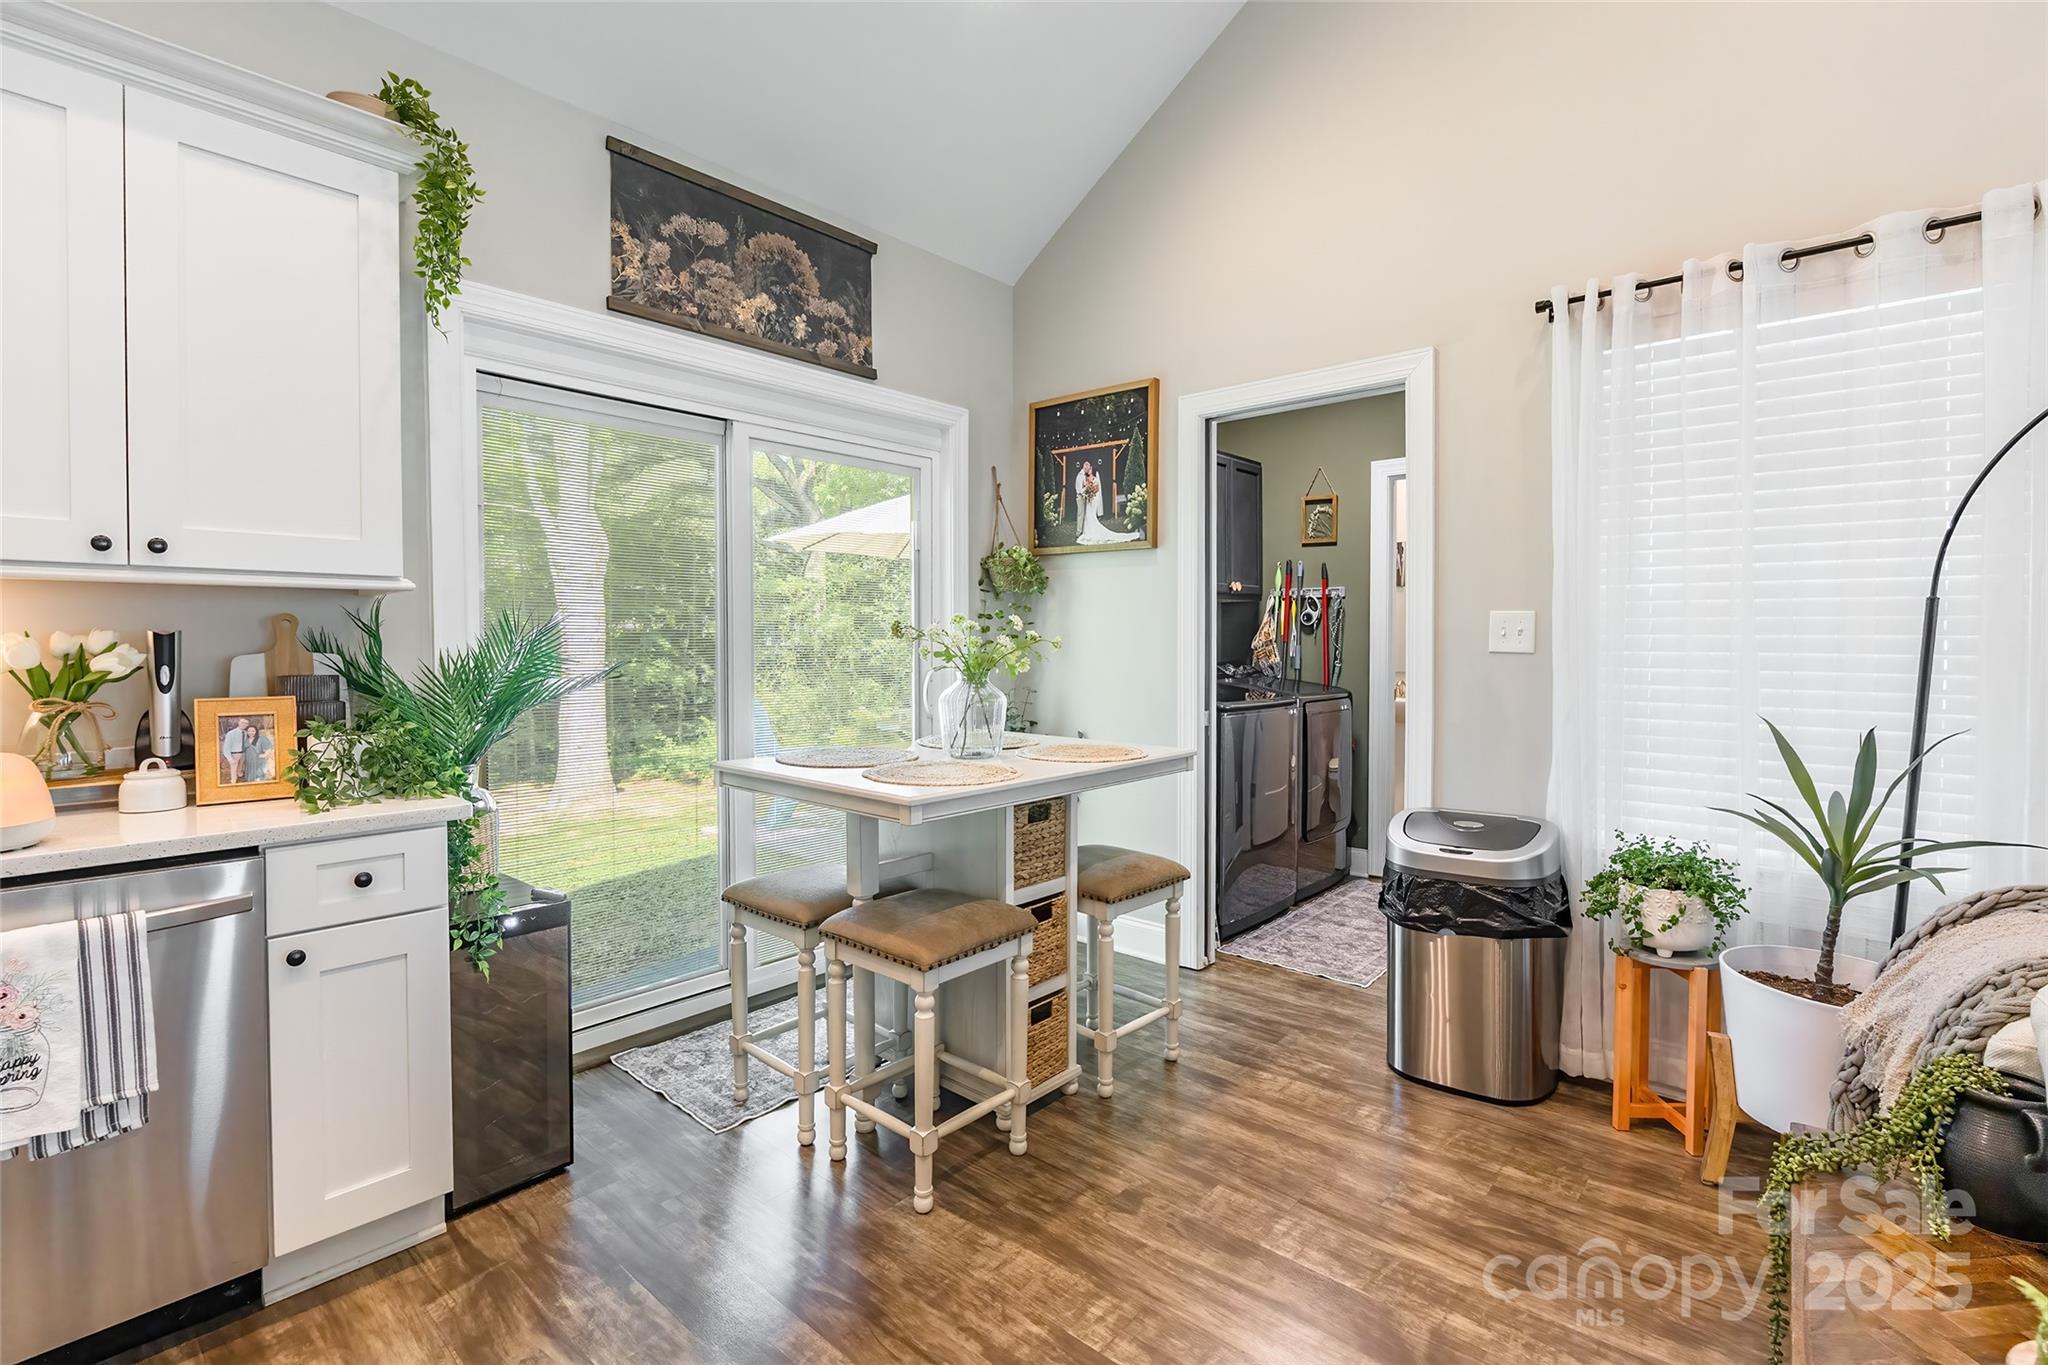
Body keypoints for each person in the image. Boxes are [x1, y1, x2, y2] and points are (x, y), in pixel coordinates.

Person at [1076, 459, 1141, 545]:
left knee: (1090, 515)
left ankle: (1093, 531)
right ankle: (1087, 531)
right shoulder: (1085, 478)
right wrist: (1087, 492)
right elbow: (1082, 488)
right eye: (1088, 468)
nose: (1089, 470)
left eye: (1090, 468)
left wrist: (1091, 492)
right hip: (1088, 500)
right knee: (1087, 516)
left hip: (1092, 500)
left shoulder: (1095, 479)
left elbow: (1097, 489)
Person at [221, 717, 246, 783]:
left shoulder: (245, 733)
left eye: (246, 723)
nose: (244, 724)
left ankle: (239, 773)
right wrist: (229, 758)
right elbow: (226, 747)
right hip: (235, 753)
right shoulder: (231, 733)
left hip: (243, 753)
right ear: (239, 723)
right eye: (242, 723)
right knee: (234, 767)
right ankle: (233, 780)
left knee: (240, 765)